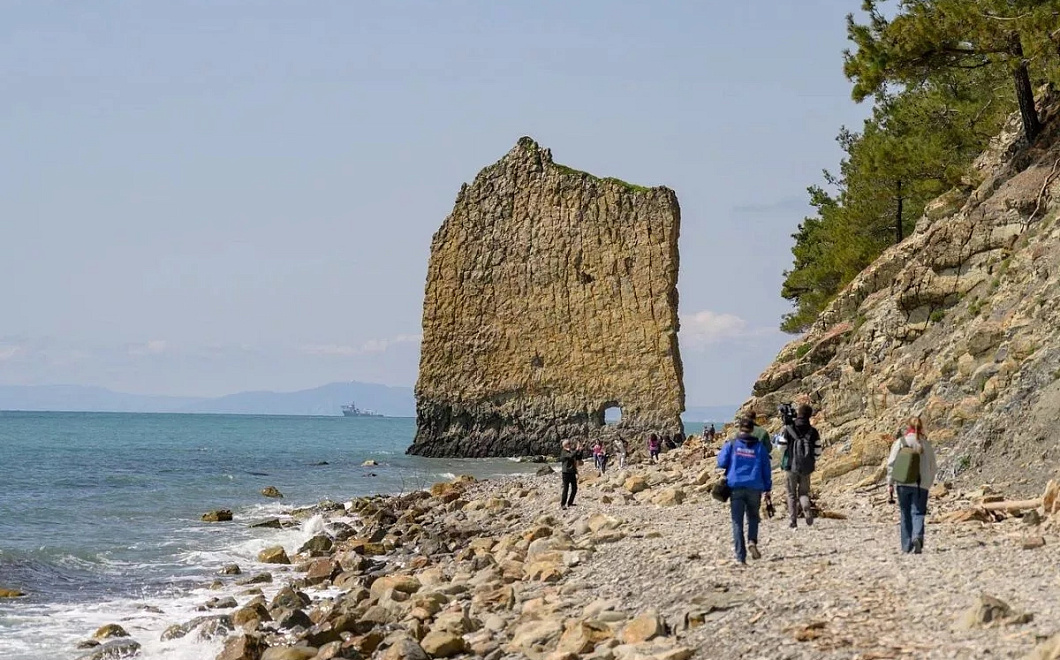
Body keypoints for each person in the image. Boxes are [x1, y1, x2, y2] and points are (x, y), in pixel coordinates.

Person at [717, 417, 773, 564]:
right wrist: (767, 489)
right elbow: (766, 469)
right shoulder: (760, 447)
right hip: (755, 486)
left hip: (735, 486)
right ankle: (752, 541)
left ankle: (740, 557)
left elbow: (721, 462)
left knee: (737, 521)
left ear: (739, 428)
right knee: (753, 517)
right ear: (752, 429)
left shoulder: (733, 444)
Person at [887, 416, 938, 554]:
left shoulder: (901, 442)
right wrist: (928, 482)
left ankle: (906, 545)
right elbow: (933, 467)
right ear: (922, 428)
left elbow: (891, 463)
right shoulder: (926, 445)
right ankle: (918, 536)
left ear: (907, 426)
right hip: (921, 485)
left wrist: (890, 483)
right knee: (918, 512)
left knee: (905, 514)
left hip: (903, 483)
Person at [776, 404, 822, 528]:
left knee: (791, 494)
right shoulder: (813, 431)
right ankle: (806, 507)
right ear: (809, 415)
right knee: (803, 492)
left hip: (790, 466)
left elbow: (781, 448)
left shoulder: (789, 428)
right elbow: (817, 452)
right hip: (806, 468)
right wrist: (810, 460)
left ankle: (793, 521)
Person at [559, 439, 585, 509]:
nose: (570, 445)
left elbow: (578, 457)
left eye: (570, 443)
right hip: (566, 473)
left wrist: (581, 450)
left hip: (572, 472)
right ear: (565, 445)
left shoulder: (570, 451)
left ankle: (570, 503)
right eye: (569, 444)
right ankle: (563, 504)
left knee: (574, 488)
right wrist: (577, 449)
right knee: (566, 489)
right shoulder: (563, 452)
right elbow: (570, 456)